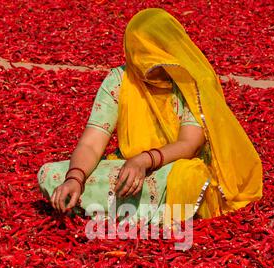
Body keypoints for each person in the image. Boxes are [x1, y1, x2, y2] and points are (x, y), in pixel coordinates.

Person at [38, 8, 262, 225]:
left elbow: (189, 144)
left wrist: (143, 161)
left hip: (175, 166)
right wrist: (74, 179)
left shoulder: (191, 81)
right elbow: (91, 143)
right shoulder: (120, 80)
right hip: (130, 167)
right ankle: (144, 212)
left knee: (189, 180)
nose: (150, 67)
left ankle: (117, 210)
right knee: (52, 174)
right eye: (143, 58)